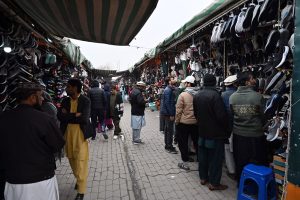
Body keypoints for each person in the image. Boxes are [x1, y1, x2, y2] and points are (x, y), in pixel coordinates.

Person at [0, 82, 65, 200]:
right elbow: (58, 144)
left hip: (12, 181)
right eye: (40, 96)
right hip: (41, 182)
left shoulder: (4, 118)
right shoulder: (45, 119)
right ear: (32, 98)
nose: (42, 98)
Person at [193, 74, 230, 191]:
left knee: (203, 156)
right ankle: (214, 183)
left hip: (202, 131)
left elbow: (196, 114)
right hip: (215, 133)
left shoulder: (197, 95)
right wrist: (227, 128)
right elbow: (221, 116)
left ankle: (203, 178)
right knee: (215, 159)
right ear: (214, 82)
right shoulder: (215, 96)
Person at [229, 71, 267, 185]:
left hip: (238, 135)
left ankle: (241, 183)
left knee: (240, 161)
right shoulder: (258, 97)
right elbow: (263, 116)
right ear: (247, 82)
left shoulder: (232, 97)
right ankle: (254, 185)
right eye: (252, 79)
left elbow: (232, 114)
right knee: (257, 162)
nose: (254, 80)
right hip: (255, 136)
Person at [58, 78, 91, 200]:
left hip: (81, 136)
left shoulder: (85, 101)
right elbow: (60, 116)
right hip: (67, 135)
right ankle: (79, 178)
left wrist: (67, 116)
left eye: (69, 87)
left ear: (75, 88)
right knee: (72, 159)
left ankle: (81, 191)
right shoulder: (65, 100)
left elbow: (84, 119)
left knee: (81, 160)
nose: (67, 89)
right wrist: (74, 115)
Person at [175, 76, 198, 170]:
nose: (184, 84)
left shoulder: (183, 95)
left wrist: (177, 121)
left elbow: (178, 110)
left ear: (189, 84)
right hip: (195, 123)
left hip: (183, 123)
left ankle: (185, 163)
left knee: (183, 143)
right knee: (196, 142)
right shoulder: (198, 94)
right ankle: (201, 163)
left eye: (185, 83)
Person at [221, 75, 238, 180]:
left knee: (227, 148)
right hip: (238, 125)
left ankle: (231, 169)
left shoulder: (223, 95)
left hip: (227, 125)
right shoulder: (237, 94)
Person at [161, 77, 178, 154]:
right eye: (172, 79)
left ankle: (168, 145)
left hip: (167, 113)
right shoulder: (168, 90)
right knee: (169, 130)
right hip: (168, 113)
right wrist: (171, 114)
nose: (174, 79)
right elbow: (168, 103)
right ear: (169, 82)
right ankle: (169, 146)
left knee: (168, 130)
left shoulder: (169, 89)